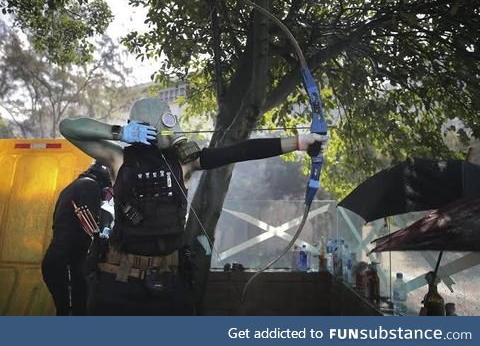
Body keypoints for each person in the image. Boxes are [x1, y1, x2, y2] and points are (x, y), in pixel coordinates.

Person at [59, 97, 328, 315]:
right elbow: (68, 127)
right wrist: (119, 132)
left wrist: (300, 143)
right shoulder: (118, 158)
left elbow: (239, 151)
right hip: (118, 282)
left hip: (169, 283)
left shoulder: (184, 162)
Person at [41, 162, 112, 316]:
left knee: (66, 311)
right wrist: (106, 239)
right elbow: (90, 228)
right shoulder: (90, 186)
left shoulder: (74, 186)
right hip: (65, 265)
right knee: (76, 311)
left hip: (59, 263)